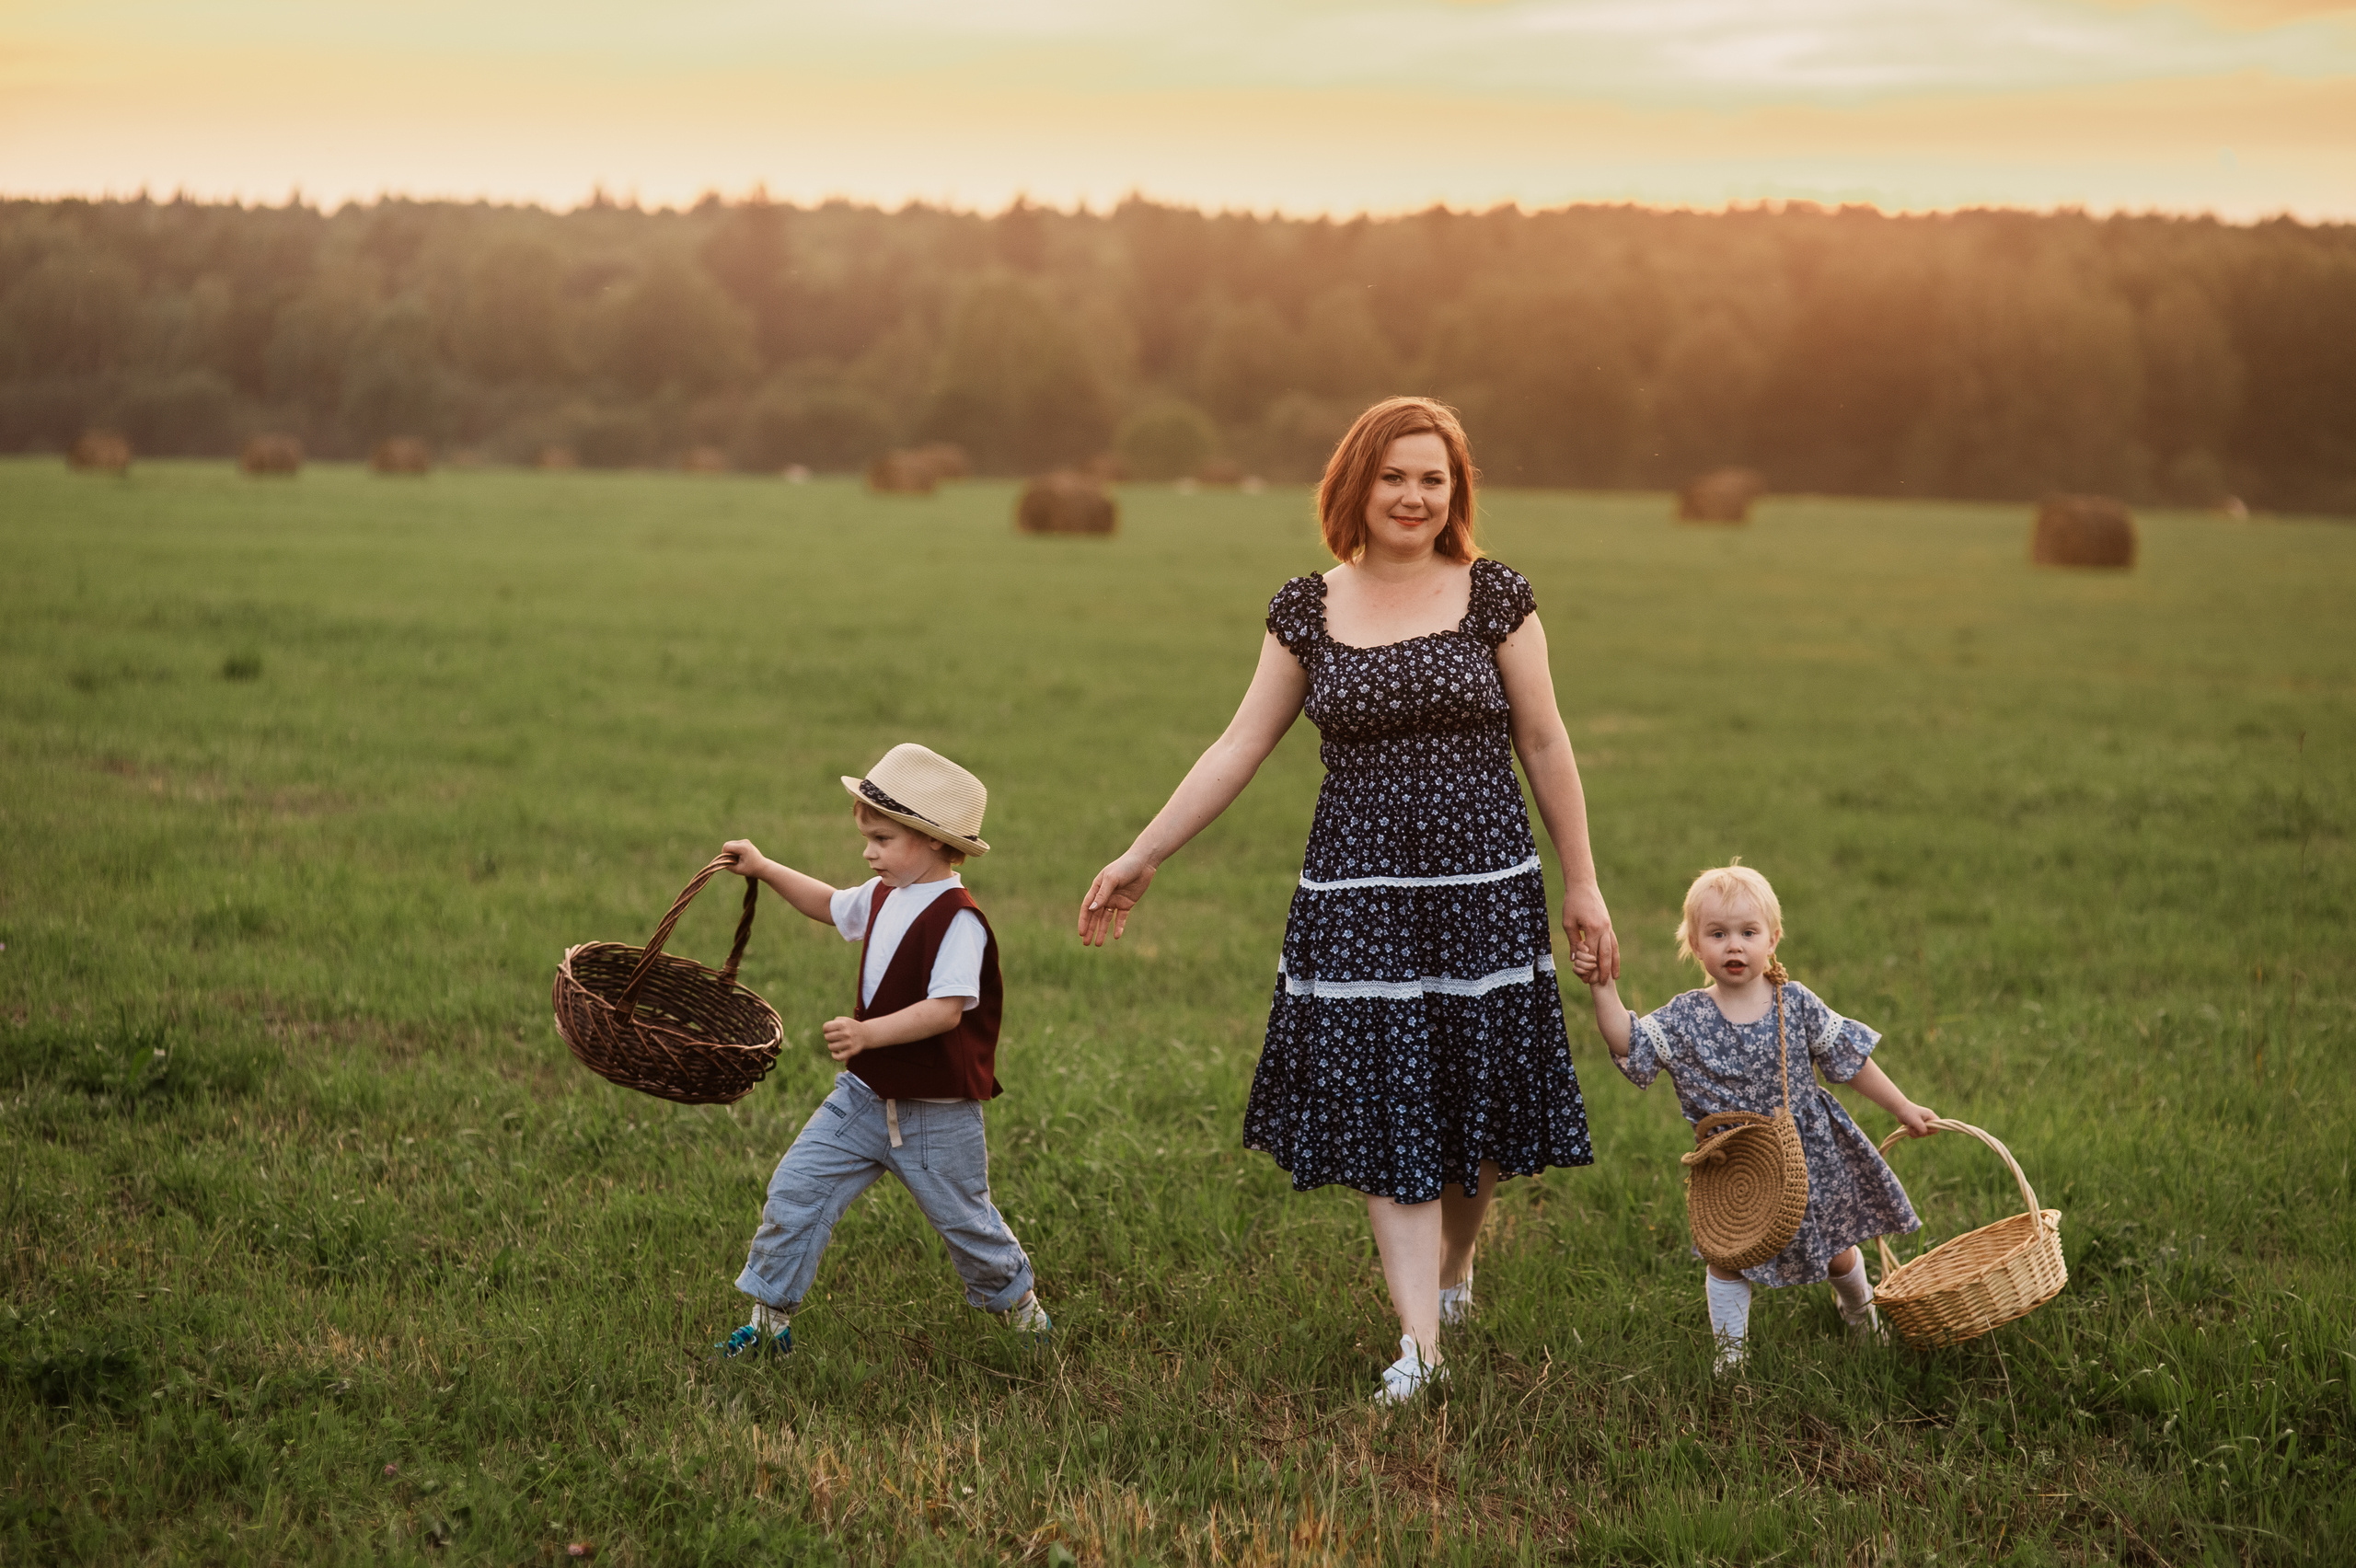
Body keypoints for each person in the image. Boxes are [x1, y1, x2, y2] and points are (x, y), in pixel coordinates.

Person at [1078, 396, 1616, 1402]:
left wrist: (1580, 882)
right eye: (1393, 476)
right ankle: (1421, 1344)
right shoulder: (1306, 609)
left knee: (1472, 1106)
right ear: (1355, 486)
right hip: (1359, 901)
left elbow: (1544, 741)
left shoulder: (1495, 595)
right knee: (1390, 1101)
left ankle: (1456, 1267)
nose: (1413, 496)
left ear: (1455, 493)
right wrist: (1144, 852)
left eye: (1433, 479)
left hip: (1483, 892)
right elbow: (1239, 744)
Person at [712, 743, 1050, 1360]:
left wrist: (868, 1034)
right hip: (864, 1098)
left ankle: (1022, 1311)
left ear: (934, 841)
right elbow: (826, 903)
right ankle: (768, 1324)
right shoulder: (884, 895)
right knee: (797, 1189)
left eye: (883, 839)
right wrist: (764, 867)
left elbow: (946, 1010)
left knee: (966, 1223)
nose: (868, 852)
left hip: (937, 1114)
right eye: (867, 838)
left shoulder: (958, 921)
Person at [1569, 861, 1934, 1370]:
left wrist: (1903, 1106)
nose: (1734, 946)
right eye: (1718, 934)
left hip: (1806, 1153)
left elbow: (1850, 1062)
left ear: (1773, 939)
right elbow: (1629, 1043)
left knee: (1837, 1249)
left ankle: (1859, 1311)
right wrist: (1602, 988)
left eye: (1748, 932)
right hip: (1734, 1162)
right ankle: (1731, 1356)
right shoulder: (1686, 1016)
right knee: (1728, 1256)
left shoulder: (1795, 1003)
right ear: (1695, 945)